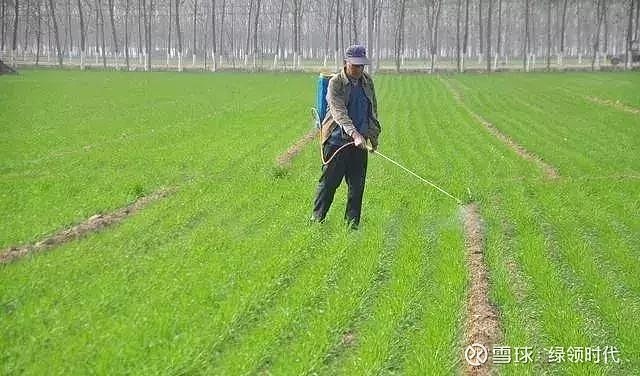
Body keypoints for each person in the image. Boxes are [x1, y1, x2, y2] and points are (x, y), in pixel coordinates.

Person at [311, 44, 381, 229]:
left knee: (357, 188)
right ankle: (317, 221)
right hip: (336, 142)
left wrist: (373, 137)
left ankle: (352, 227)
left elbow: (371, 110)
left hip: (359, 145)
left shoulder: (367, 81)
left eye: (362, 65)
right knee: (329, 185)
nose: (359, 69)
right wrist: (354, 134)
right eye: (355, 65)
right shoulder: (336, 83)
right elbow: (338, 112)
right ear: (345, 62)